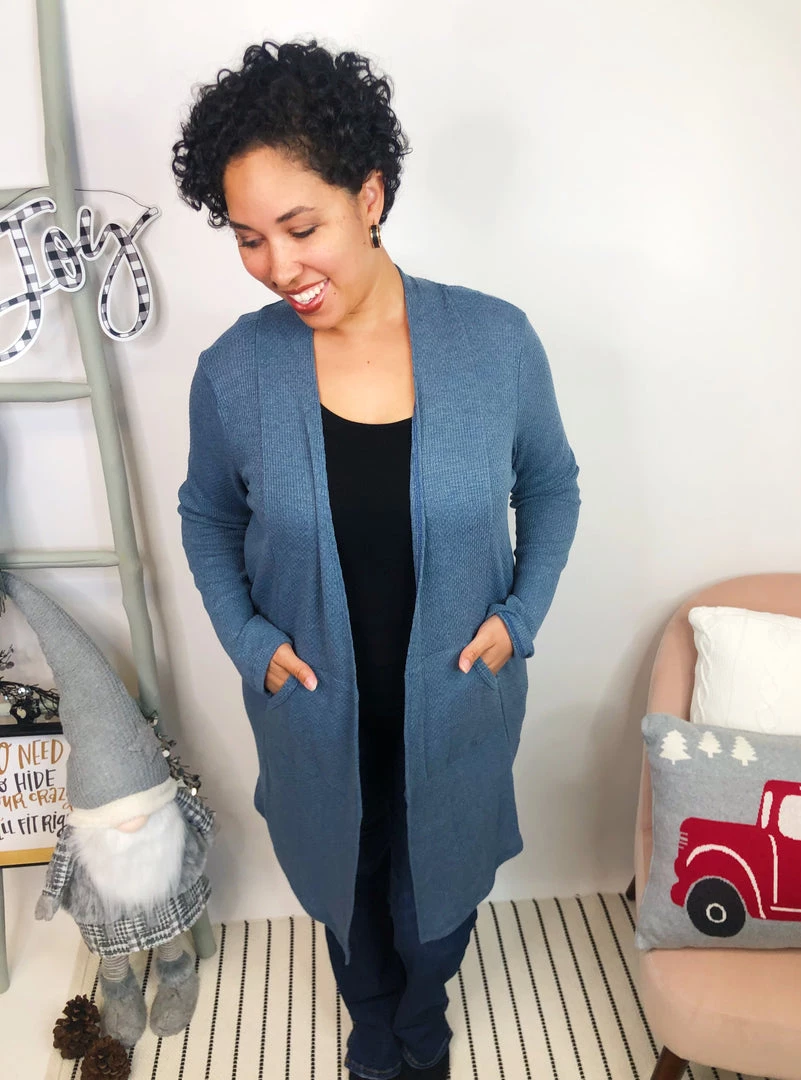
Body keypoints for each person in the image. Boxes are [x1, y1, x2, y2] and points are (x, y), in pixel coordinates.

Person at [172, 40, 580, 1080]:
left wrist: (522, 615)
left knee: (436, 895)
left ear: (369, 194)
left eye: (300, 227)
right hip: (313, 711)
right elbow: (206, 516)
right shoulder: (234, 373)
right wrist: (248, 639)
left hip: (459, 697)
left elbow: (552, 485)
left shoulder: (495, 344)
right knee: (348, 891)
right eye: (249, 239)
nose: (278, 267)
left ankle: (422, 1019)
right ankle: (371, 1022)